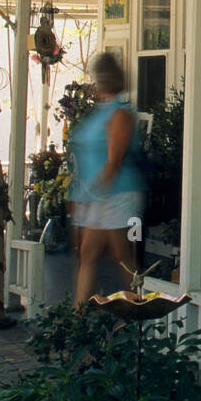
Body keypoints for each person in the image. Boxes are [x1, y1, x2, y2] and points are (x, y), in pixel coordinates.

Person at [69, 52, 148, 305]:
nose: (97, 82)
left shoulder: (121, 114)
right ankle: (76, 317)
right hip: (96, 194)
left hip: (118, 193)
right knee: (87, 253)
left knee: (121, 256)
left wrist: (86, 195)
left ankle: (138, 312)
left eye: (100, 77)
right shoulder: (99, 112)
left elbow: (114, 161)